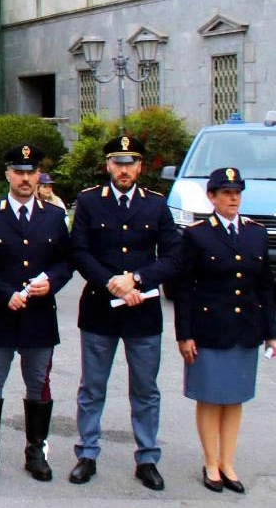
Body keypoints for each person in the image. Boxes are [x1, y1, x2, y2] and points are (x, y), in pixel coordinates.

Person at [68, 135, 180, 491]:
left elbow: (173, 256)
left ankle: (147, 458)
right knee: (92, 387)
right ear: (108, 167)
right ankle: (87, 453)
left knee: (145, 390)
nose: (124, 169)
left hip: (142, 311)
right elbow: (79, 252)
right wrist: (111, 282)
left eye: (130, 163)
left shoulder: (156, 206)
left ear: (140, 167)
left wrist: (138, 279)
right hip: (100, 309)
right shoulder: (88, 202)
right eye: (118, 163)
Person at [0, 145, 71, 483]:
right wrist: (3, 294)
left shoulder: (54, 216)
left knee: (38, 383)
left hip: (39, 315)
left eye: (31, 172)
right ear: (7, 175)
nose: (25, 178)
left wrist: (52, 282)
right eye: (18, 171)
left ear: (39, 175)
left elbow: (66, 261)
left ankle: (36, 451)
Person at [173, 167, 276, 494]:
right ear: (212, 197)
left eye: (237, 192)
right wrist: (184, 334)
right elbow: (184, 288)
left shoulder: (256, 234)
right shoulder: (198, 235)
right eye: (226, 193)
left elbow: (265, 287)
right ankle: (210, 462)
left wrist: (272, 331)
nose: (233, 198)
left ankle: (228, 462)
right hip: (209, 329)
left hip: (245, 328)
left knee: (234, 399)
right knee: (210, 397)